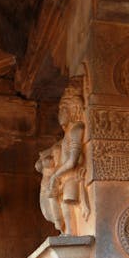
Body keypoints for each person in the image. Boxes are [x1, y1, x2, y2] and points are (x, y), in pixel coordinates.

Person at [47, 81, 89, 234]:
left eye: (62, 110)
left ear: (72, 109)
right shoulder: (67, 134)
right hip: (64, 177)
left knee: (67, 203)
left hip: (71, 176)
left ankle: (71, 232)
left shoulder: (77, 129)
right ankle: (68, 232)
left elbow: (72, 161)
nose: (59, 115)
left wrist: (55, 175)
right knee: (61, 207)